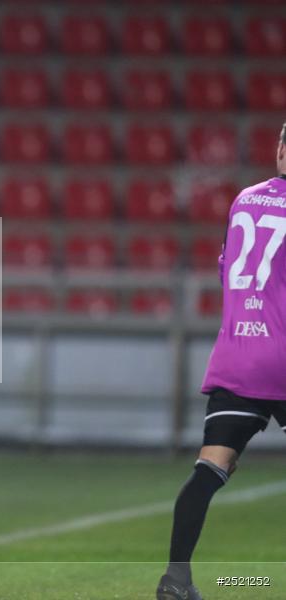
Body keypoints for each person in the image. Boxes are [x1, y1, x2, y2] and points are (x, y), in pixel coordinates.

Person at [157, 123, 286, 600]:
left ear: (279, 151)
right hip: (284, 354)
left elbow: (226, 267)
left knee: (210, 467)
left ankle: (174, 580)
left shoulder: (244, 201)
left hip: (239, 354)